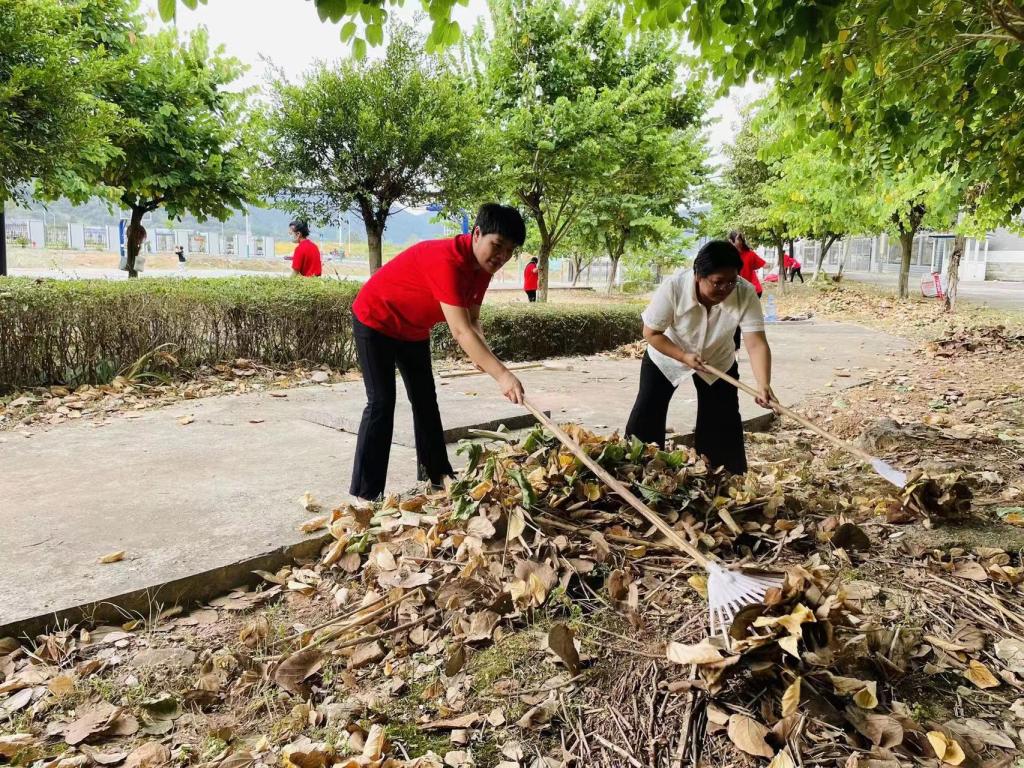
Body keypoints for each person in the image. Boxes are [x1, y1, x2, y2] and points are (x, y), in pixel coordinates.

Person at [349, 203, 528, 501]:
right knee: (381, 403)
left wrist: (482, 357)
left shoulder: (482, 269)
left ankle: (438, 476)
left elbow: (473, 321)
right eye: (497, 246)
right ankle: (366, 495)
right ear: (477, 233)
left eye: (509, 252)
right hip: (376, 319)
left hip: (413, 329)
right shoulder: (445, 259)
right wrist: (503, 375)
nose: (501, 257)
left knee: (425, 401)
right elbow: (460, 331)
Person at [624, 240, 776, 476]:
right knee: (648, 412)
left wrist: (763, 383)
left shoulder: (744, 292)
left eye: (731, 282)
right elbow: (651, 333)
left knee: (722, 418)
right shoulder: (674, 288)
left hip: (717, 359)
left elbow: (756, 343)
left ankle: (721, 476)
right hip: (668, 355)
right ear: (698, 275)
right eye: (718, 282)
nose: (725, 289)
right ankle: (637, 470)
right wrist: (683, 356)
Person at [728, 231, 766, 350]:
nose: (738, 242)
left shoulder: (749, 254)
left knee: (743, 319)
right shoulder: (727, 255)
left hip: (753, 290)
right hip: (735, 289)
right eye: (736, 239)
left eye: (740, 239)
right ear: (730, 241)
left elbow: (761, 264)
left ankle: (745, 347)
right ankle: (735, 348)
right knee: (735, 318)